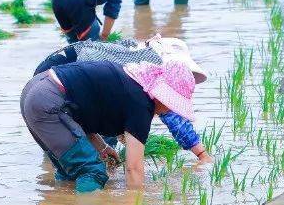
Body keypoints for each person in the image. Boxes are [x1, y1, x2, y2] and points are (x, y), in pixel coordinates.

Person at [20, 59, 195, 192]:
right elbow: (134, 169)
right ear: (164, 95)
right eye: (173, 103)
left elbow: (82, 115)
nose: (170, 109)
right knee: (92, 171)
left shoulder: (133, 82)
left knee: (70, 172)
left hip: (35, 90)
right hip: (48, 101)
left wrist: (103, 147)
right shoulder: (142, 105)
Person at [34, 36, 213, 163]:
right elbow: (173, 117)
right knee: (89, 149)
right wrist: (202, 155)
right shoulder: (152, 70)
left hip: (55, 83)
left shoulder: (141, 56)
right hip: (56, 81)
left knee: (91, 143)